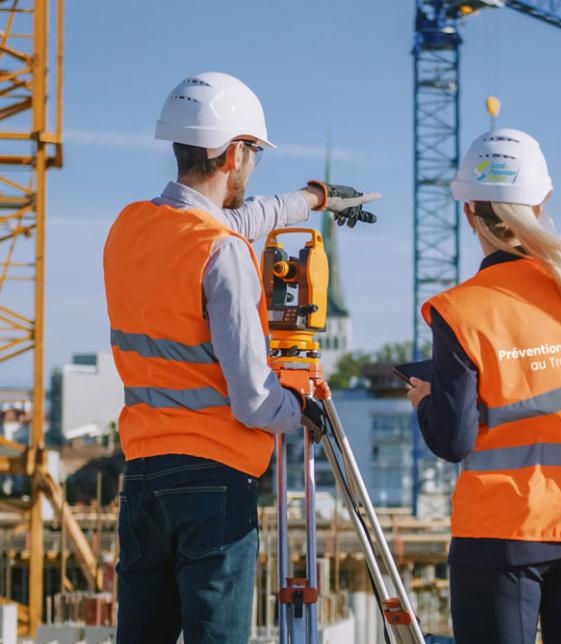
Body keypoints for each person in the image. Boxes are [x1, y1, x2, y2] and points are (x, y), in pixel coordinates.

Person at [103, 71, 380, 644]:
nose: (252, 169)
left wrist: (314, 200)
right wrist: (298, 406)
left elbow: (225, 223)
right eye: (252, 154)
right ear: (234, 152)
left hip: (143, 476)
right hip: (213, 478)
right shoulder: (222, 254)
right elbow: (254, 402)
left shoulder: (129, 228)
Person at [407, 128, 561, 644]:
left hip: (502, 535)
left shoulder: (461, 310)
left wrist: (426, 401)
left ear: (470, 213)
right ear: (541, 204)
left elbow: (452, 441)